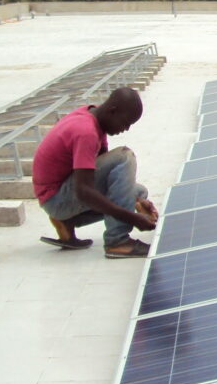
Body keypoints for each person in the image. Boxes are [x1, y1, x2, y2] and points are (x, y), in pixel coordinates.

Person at [32, 87, 158, 258]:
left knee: (138, 193)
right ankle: (118, 241)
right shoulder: (86, 132)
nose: (126, 129)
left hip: (58, 195)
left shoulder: (94, 118)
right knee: (124, 157)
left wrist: (137, 203)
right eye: (126, 123)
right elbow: (84, 191)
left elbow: (102, 175)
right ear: (113, 111)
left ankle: (66, 222)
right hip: (57, 199)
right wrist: (131, 218)